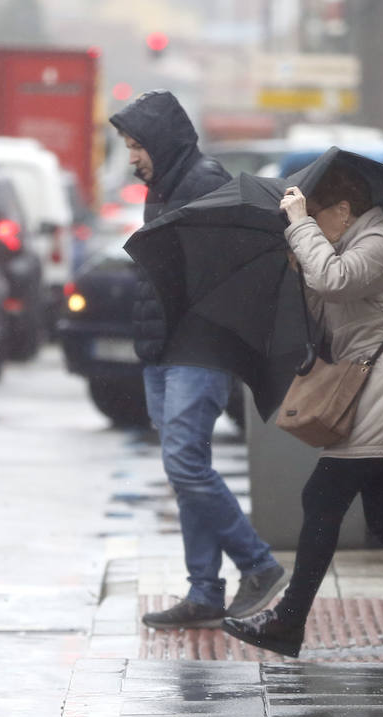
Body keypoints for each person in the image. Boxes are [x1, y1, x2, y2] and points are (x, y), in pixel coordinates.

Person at [221, 165, 383, 659]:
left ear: (343, 209)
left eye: (318, 215)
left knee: (322, 495)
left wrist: (300, 225)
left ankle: (287, 622)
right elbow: (328, 316)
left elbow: (335, 280)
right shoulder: (350, 246)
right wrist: (302, 270)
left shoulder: (381, 240)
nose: (313, 224)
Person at [109, 90, 287, 629]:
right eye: (128, 146)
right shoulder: (163, 186)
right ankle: (205, 591)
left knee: (184, 463)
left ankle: (258, 566)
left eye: (137, 145)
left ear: (161, 142)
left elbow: (216, 273)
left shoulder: (203, 183)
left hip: (197, 346)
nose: (132, 157)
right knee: (187, 471)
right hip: (164, 346)